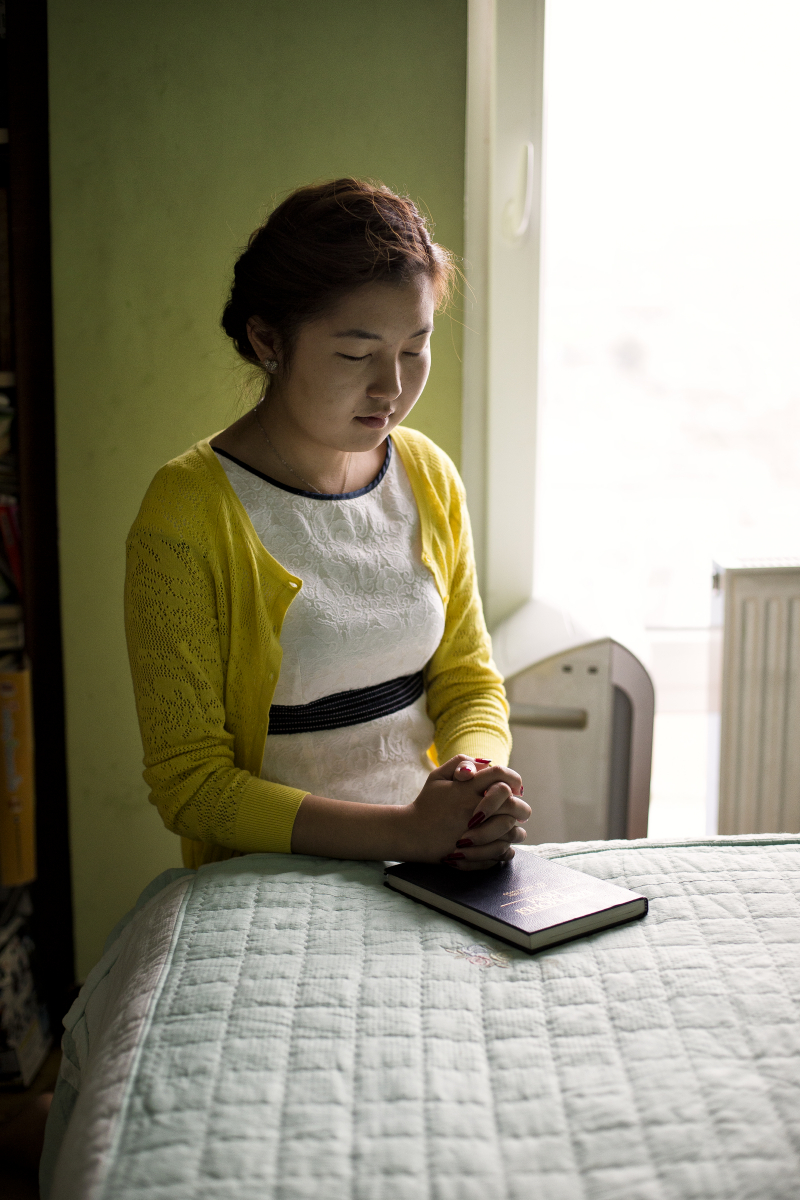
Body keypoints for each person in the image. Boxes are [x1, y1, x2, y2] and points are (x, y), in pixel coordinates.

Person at [124, 178, 529, 872]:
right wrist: (403, 832)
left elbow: (468, 683)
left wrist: (470, 783)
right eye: (355, 353)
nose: (392, 388)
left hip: (431, 862)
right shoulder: (188, 511)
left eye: (414, 348)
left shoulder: (426, 476)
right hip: (270, 876)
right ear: (267, 339)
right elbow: (192, 785)